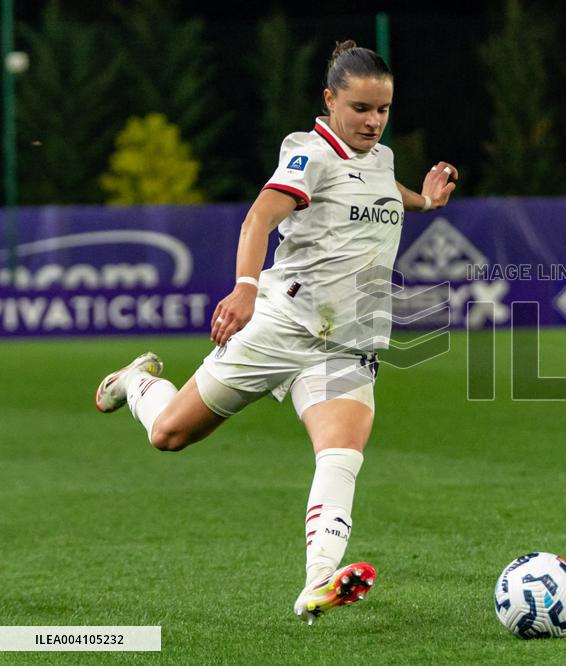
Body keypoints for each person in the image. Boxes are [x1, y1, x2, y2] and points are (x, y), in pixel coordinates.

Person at [94, 40, 459, 623]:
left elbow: (380, 192)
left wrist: (425, 202)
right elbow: (261, 216)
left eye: (383, 110)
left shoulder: (381, 159)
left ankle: (318, 583)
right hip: (281, 324)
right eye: (362, 108)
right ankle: (136, 382)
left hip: (347, 341)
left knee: (340, 453)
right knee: (169, 435)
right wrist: (243, 286)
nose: (373, 121)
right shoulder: (307, 152)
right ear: (330, 100)